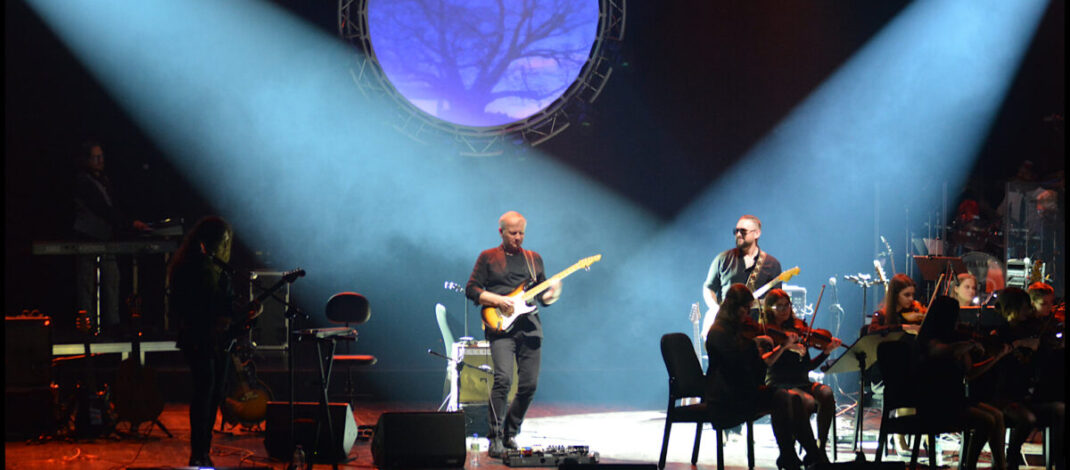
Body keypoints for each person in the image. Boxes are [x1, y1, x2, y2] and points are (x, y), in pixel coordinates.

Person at [465, 211, 561, 458]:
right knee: (503, 380)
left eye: (522, 233)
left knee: (529, 385)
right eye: (513, 233)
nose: (518, 238)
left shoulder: (533, 259)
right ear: (501, 232)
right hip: (500, 327)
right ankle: (495, 436)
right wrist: (498, 300)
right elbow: (472, 289)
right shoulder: (488, 257)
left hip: (530, 328)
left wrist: (553, 294)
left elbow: (542, 297)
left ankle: (510, 432)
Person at [167, 216, 260, 467]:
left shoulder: (220, 270)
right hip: (198, 337)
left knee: (214, 392)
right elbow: (187, 305)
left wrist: (246, 314)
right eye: (223, 240)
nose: (226, 245)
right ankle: (198, 450)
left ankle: (203, 449)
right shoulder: (191, 267)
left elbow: (226, 308)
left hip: (217, 340)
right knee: (204, 391)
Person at [705, 284, 827, 469]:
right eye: (745, 309)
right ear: (734, 307)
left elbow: (755, 366)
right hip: (728, 397)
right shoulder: (718, 332)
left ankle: (804, 455)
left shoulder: (737, 329)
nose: (748, 314)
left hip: (745, 391)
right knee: (782, 397)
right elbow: (737, 368)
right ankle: (794, 456)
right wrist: (755, 346)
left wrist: (762, 349)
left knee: (791, 399)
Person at [915, 296, 1010, 470]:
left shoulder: (956, 340)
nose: (958, 321)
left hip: (954, 399)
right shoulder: (929, 340)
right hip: (935, 402)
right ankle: (970, 465)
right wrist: (969, 344)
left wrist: (996, 357)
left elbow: (970, 372)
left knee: (997, 416)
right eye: (955, 316)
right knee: (987, 419)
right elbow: (941, 351)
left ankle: (1000, 465)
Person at [73, 139, 151, 336]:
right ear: (86, 159)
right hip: (88, 238)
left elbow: (111, 209)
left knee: (111, 280)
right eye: (95, 157)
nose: (100, 160)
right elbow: (102, 209)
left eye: (101, 156)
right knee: (87, 285)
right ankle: (88, 327)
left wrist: (126, 224)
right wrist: (128, 224)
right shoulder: (83, 181)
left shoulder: (103, 180)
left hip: (105, 239)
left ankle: (112, 323)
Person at [980, 287, 1065, 470]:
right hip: (1002, 397)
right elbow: (997, 368)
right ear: (1013, 308)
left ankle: (1059, 462)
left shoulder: (1030, 331)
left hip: (1025, 395)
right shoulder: (999, 333)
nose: (1029, 311)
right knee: (1027, 418)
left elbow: (1042, 363)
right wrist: (1019, 345)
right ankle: (1011, 457)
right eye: (1025, 307)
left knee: (1060, 408)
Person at [757, 289, 841, 451]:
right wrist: (785, 346)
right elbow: (766, 363)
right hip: (779, 385)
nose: (784, 310)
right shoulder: (766, 332)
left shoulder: (798, 329)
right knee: (806, 401)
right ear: (769, 310)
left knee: (826, 393)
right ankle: (799, 447)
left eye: (786, 305)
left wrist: (826, 352)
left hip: (802, 383)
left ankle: (821, 446)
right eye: (779, 307)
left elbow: (808, 367)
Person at [702, 214, 783, 336]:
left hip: (757, 330)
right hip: (727, 328)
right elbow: (708, 288)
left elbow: (776, 300)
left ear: (757, 234)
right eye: (736, 231)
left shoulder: (772, 264)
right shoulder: (722, 259)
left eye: (743, 231)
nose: (738, 234)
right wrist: (715, 309)